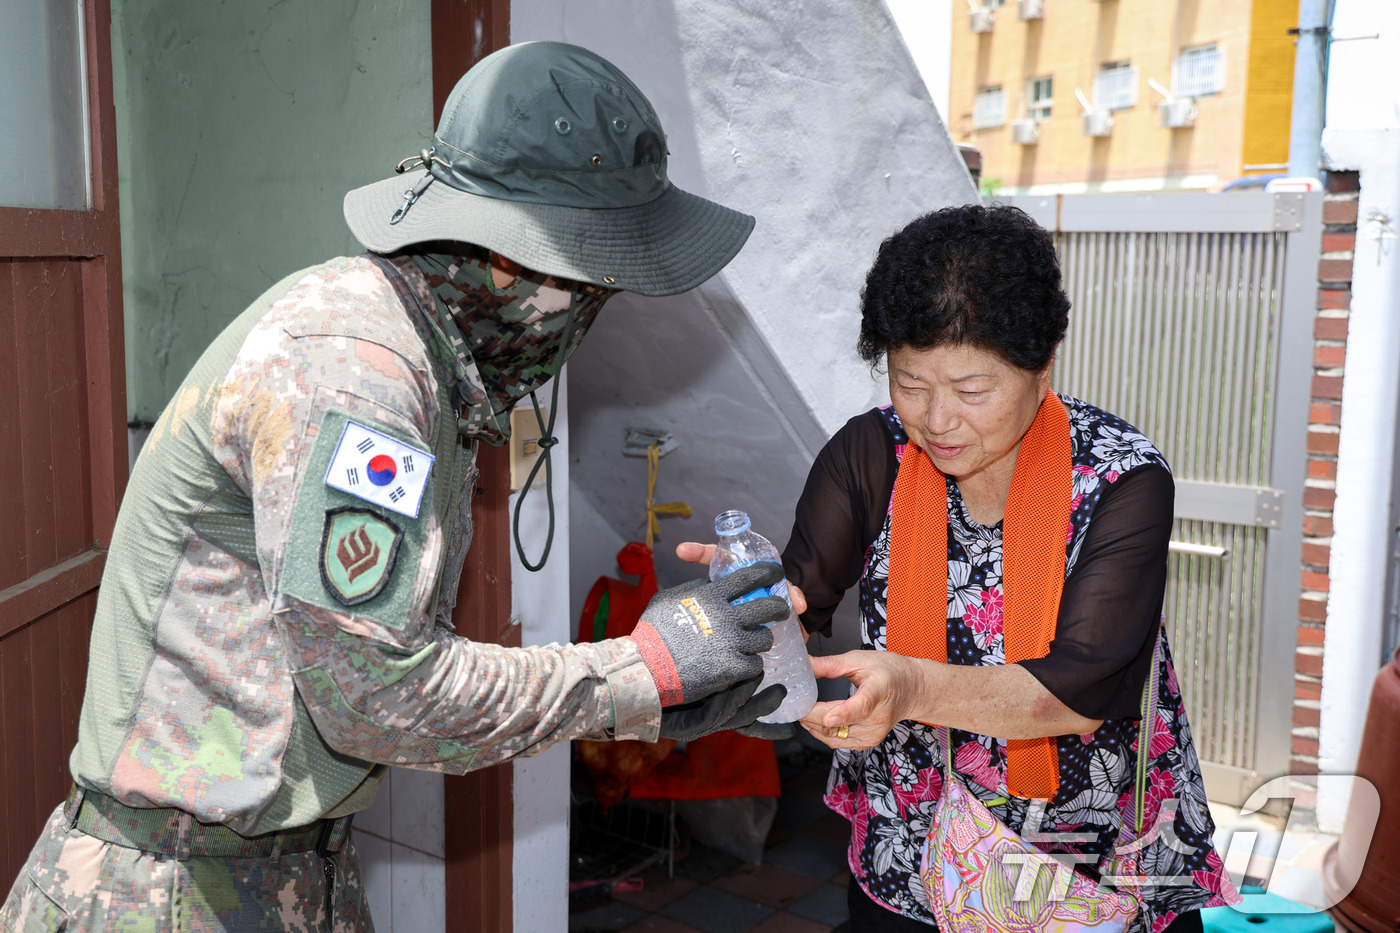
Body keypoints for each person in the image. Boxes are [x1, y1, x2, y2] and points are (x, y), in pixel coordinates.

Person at [0, 42, 791, 932]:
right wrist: (637, 673)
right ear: (510, 264)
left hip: (278, 874)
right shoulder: (357, 376)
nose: (594, 314)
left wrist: (647, 701)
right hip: (170, 895)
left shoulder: (418, 358)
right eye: (592, 284)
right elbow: (377, 696)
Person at [779, 205, 1241, 931]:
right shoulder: (871, 455)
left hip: (1083, 865)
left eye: (972, 390)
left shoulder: (1120, 478)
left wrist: (910, 686)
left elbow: (1078, 690)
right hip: (912, 852)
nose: (937, 420)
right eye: (910, 382)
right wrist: (752, 608)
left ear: (1043, 362)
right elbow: (798, 599)